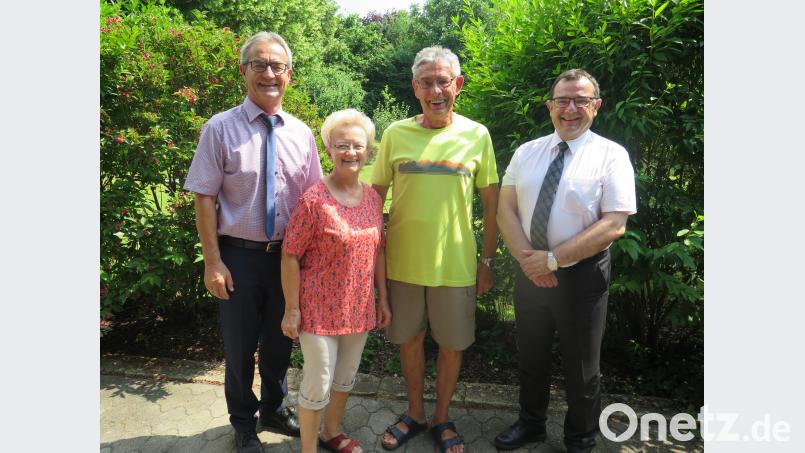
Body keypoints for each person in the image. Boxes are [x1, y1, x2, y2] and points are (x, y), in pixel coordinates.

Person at [184, 31, 322, 453]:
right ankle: (243, 423)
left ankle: (275, 409)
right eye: (259, 64)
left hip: (287, 259)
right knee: (241, 347)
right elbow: (204, 196)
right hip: (238, 259)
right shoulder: (219, 129)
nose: (268, 73)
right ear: (243, 70)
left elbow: (315, 200)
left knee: (282, 339)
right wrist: (213, 262)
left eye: (277, 66)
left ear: (289, 75)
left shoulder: (302, 134)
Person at [493, 69, 637, 453]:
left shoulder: (611, 155)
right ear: (550, 106)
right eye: (562, 101)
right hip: (529, 272)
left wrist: (553, 260)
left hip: (582, 276)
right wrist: (530, 261)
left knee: (582, 368)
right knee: (531, 356)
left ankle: (580, 439)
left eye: (580, 101)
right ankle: (531, 425)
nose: (570, 109)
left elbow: (614, 224)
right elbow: (505, 210)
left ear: (596, 106)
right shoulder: (527, 152)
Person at [371, 46, 499, 453]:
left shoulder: (476, 135)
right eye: (426, 82)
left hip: (456, 265)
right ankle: (416, 414)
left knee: (450, 346)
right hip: (403, 265)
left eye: (443, 80)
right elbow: (374, 200)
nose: (436, 89)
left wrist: (488, 261)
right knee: (408, 342)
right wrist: (370, 262)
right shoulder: (395, 134)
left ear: (458, 85)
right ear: (415, 88)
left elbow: (493, 205)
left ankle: (442, 418)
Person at [279, 109, 391, 453]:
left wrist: (382, 300)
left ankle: (332, 432)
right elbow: (290, 255)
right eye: (342, 145)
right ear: (329, 149)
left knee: (345, 378)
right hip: (317, 310)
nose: (351, 152)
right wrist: (292, 309)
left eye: (358, 146)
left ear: (368, 151)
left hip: (358, 307)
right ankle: (309, 448)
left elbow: (379, 252)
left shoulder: (372, 197)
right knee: (319, 381)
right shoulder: (314, 200)